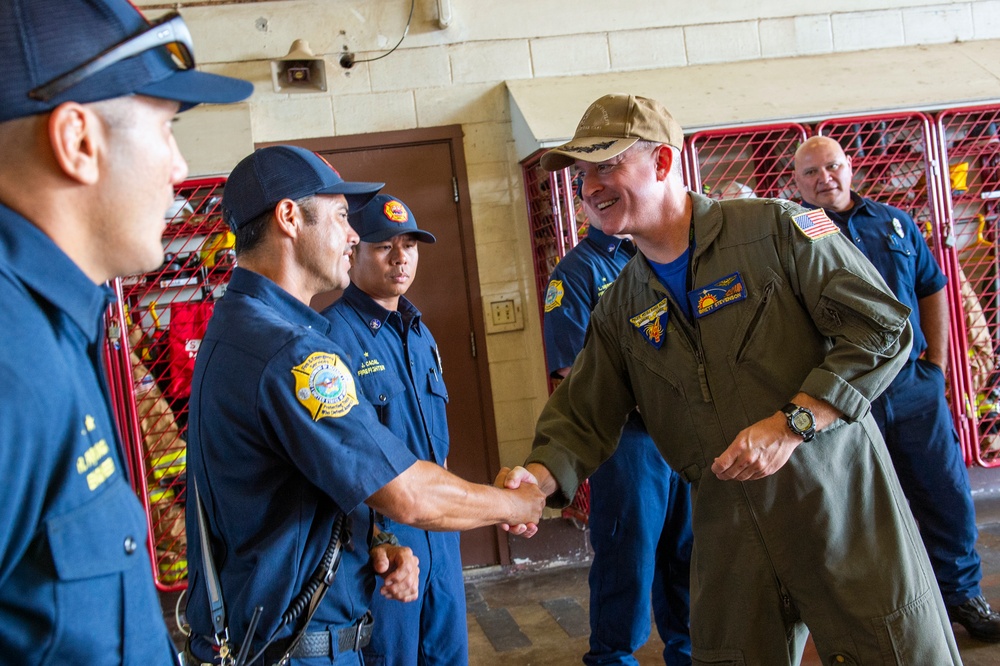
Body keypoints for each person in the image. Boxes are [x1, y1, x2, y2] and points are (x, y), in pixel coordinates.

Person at [498, 93, 962, 664]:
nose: (589, 186)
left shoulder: (776, 228)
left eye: (607, 164)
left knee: (894, 650)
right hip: (725, 524)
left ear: (663, 162)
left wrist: (793, 423)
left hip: (837, 500)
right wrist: (536, 481)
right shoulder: (621, 304)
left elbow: (882, 330)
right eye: (583, 173)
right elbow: (581, 414)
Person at [184, 146, 545, 666]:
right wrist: (519, 503)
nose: (353, 235)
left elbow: (307, 483)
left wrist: (375, 537)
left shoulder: (238, 325)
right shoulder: (291, 351)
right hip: (300, 645)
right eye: (339, 217)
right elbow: (409, 495)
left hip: (269, 630)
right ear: (289, 218)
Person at [0, 0, 252, 663]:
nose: (177, 167)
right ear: (78, 141)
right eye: (165, 128)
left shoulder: (56, 325)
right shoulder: (10, 362)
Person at [793, 134, 1000, 642]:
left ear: (850, 168)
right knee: (857, 509)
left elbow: (932, 286)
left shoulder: (894, 222)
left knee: (944, 492)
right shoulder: (792, 235)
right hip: (845, 398)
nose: (826, 179)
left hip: (913, 390)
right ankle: (880, 616)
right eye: (812, 173)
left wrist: (937, 364)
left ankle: (963, 597)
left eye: (833, 167)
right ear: (794, 184)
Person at [321, 194, 468, 666]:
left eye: (410, 245)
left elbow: (437, 450)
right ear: (354, 252)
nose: (401, 257)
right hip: (382, 544)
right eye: (385, 245)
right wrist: (382, 537)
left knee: (448, 656)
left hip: (440, 537)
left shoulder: (419, 333)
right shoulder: (332, 338)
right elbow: (342, 463)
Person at [542, 215, 693, 665]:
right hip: (628, 441)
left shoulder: (663, 253)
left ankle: (689, 655)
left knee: (688, 557)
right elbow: (574, 372)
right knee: (628, 561)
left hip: (684, 434)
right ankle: (613, 658)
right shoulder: (576, 272)